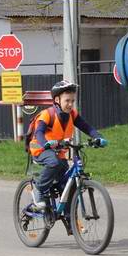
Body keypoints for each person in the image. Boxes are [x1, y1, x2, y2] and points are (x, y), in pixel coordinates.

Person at [27, 80, 107, 210]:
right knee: (54, 162)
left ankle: (70, 222)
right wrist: (46, 144)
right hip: (40, 149)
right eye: (67, 101)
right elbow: (39, 132)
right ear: (57, 100)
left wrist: (98, 137)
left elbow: (87, 127)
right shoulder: (47, 114)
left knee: (68, 185)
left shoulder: (72, 115)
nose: (70, 104)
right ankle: (39, 190)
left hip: (58, 151)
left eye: (72, 101)